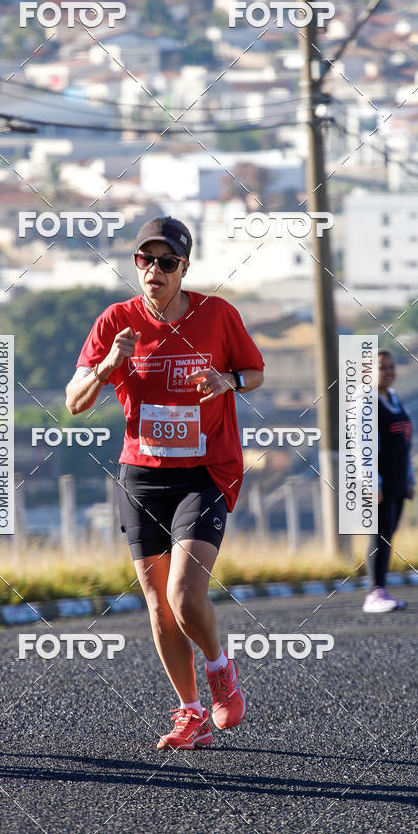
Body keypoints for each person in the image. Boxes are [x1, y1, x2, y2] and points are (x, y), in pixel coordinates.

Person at [65, 216, 265, 749]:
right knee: (157, 605)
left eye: (167, 262)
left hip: (205, 473)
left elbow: (255, 373)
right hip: (143, 476)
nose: (154, 270)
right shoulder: (117, 321)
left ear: (184, 268)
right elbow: (74, 401)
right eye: (145, 260)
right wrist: (111, 362)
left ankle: (221, 670)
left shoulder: (217, 314)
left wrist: (228, 381)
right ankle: (191, 711)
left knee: (183, 593)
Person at [363, 350, 415, 613]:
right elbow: (362, 448)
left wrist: (410, 477)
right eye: (382, 367)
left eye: (391, 366)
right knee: (379, 536)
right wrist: (373, 483)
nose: (389, 372)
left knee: (388, 536)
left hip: (398, 482)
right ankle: (375, 592)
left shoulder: (394, 399)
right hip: (379, 485)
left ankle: (381, 588)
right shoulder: (366, 404)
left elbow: (404, 443)